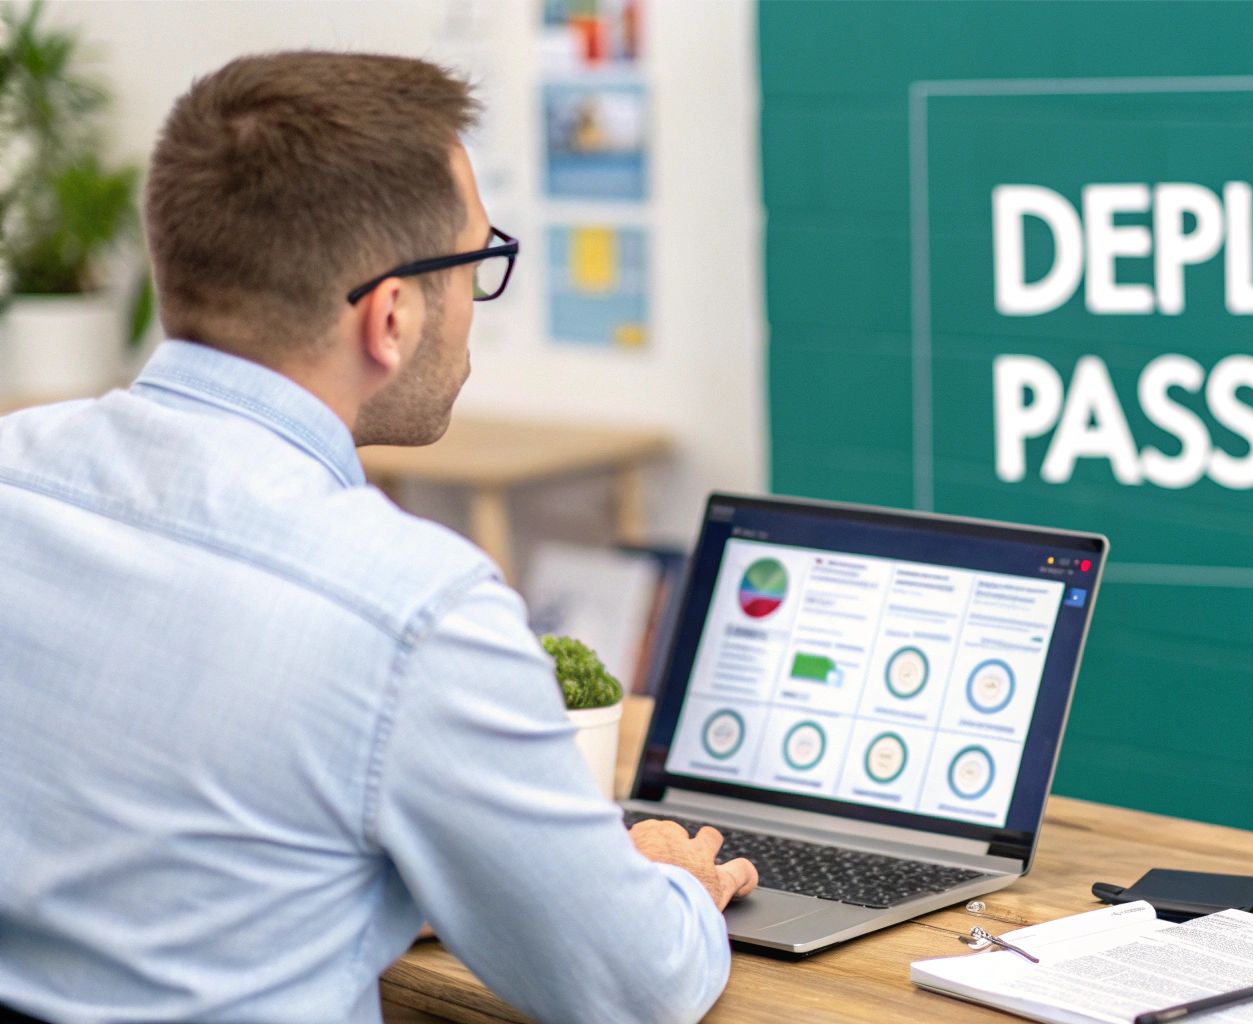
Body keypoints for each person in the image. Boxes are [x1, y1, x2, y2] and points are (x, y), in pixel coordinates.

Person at [0, 51, 756, 1024]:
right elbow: (631, 984)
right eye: (476, 267)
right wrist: (674, 887)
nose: (472, 316)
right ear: (390, 315)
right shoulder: (411, 610)